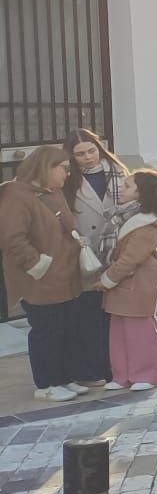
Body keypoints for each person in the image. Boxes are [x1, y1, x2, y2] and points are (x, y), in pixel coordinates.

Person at [2, 147, 88, 401]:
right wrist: (37, 264)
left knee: (66, 329)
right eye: (63, 168)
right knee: (47, 332)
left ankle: (64, 378)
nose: (67, 174)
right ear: (46, 168)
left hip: (64, 275)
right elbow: (12, 238)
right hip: (39, 279)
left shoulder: (53, 192)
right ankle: (47, 384)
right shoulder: (16, 196)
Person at [64, 128, 132, 386]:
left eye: (91, 151)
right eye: (80, 154)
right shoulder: (67, 178)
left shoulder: (118, 171)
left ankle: (116, 367)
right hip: (85, 254)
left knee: (114, 313)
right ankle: (93, 369)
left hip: (115, 248)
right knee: (89, 314)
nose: (88, 157)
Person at [99, 168, 157, 392]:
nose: (122, 188)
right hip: (120, 283)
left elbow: (131, 258)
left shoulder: (147, 224)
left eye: (128, 186)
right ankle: (122, 375)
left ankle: (147, 374)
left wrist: (107, 279)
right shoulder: (125, 217)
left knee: (139, 330)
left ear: (141, 192)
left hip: (137, 283)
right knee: (119, 331)